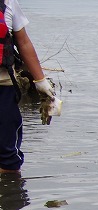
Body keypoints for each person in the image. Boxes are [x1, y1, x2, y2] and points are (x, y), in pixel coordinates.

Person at [0, 0, 61, 173]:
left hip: (3, 86)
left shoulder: (8, 2)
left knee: (8, 155)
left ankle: (12, 194)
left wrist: (40, 81)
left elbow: (23, 42)